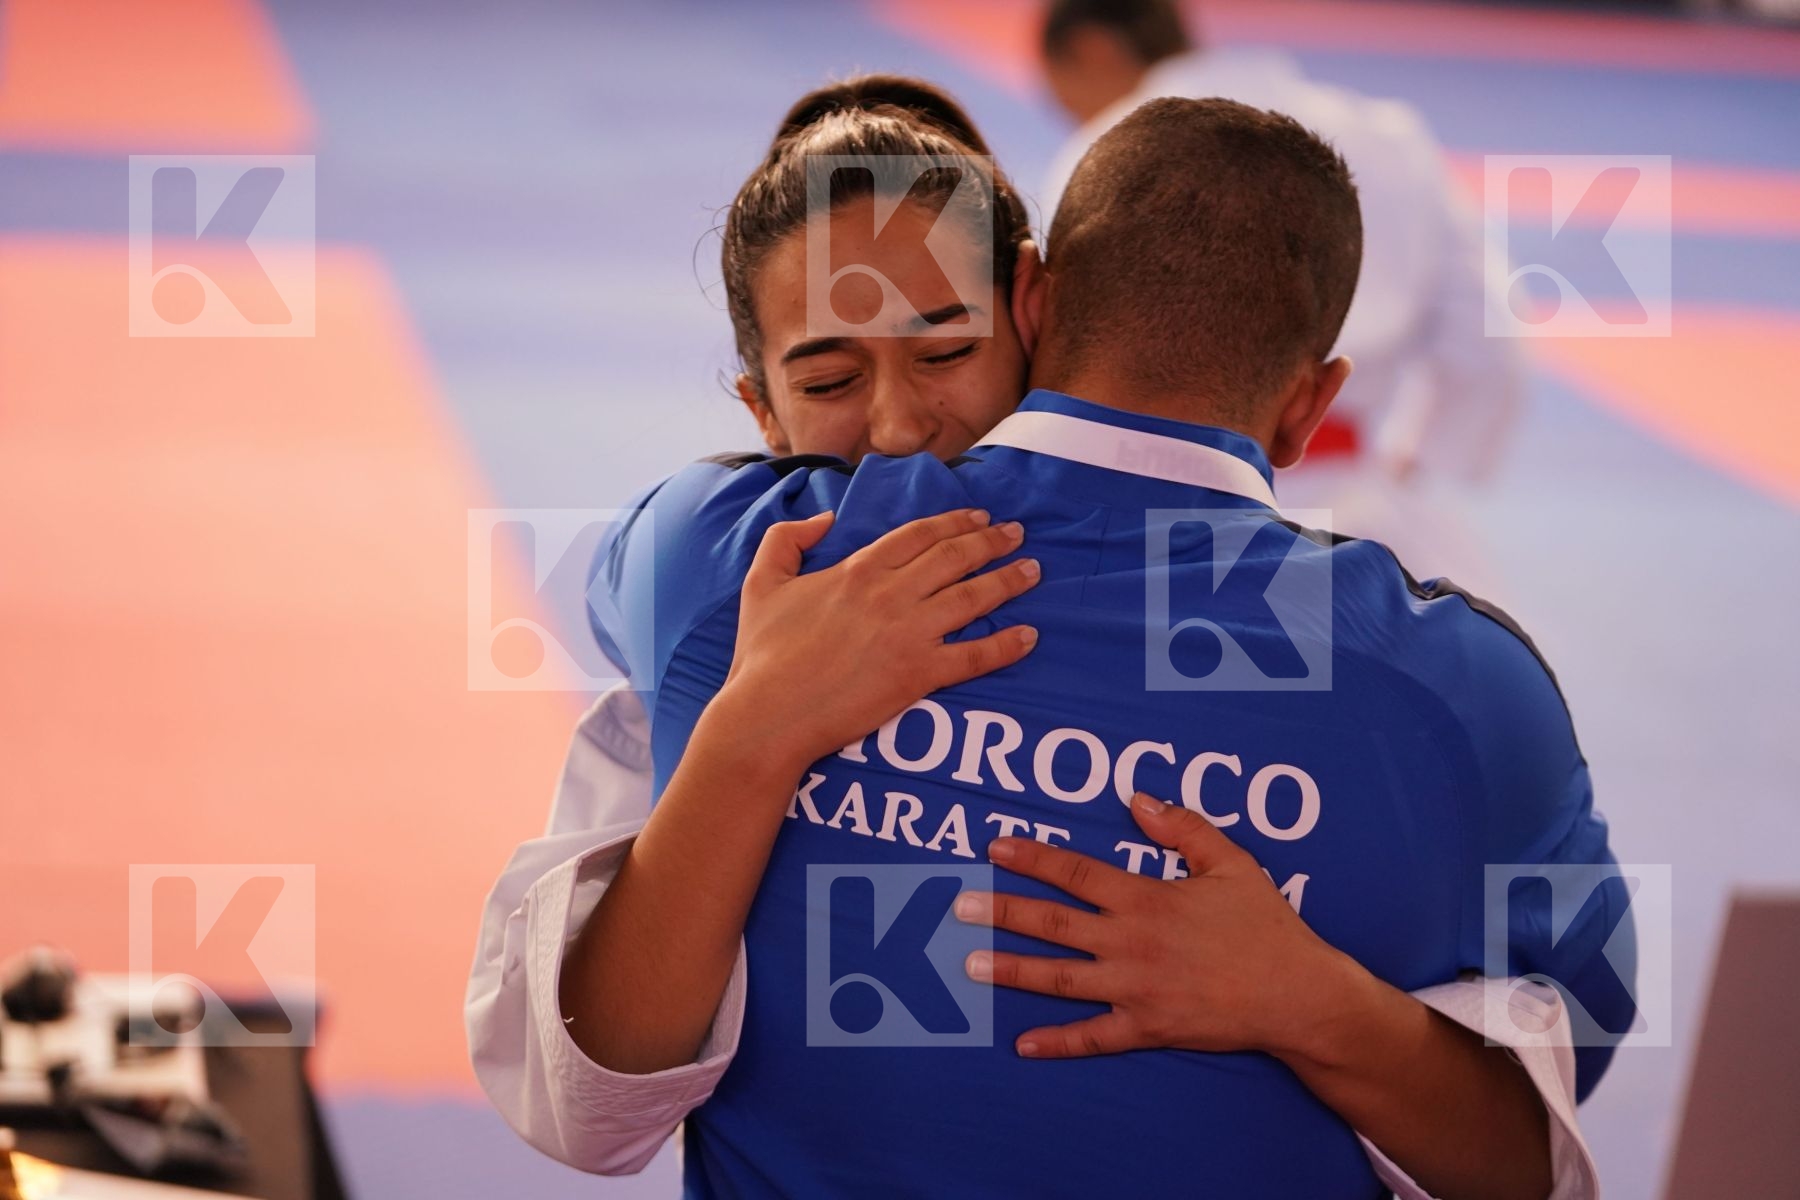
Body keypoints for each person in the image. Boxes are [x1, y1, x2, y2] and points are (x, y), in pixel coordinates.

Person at [467, 81, 1621, 1197]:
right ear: (1312, 406)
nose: (900, 429)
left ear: (1030, 308)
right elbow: (1531, 1155)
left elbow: (577, 1101)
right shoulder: (1463, 695)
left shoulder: (725, 563)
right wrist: (754, 732)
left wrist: (1306, 999)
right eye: (828, 373)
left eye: (942, 352)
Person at [1038, 0, 1523, 594]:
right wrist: (1422, 458)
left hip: (1169, 518)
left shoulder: (1107, 153)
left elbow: (1061, 356)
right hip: (1363, 506)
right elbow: (1485, 335)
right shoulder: (1392, 137)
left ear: (1092, 51)